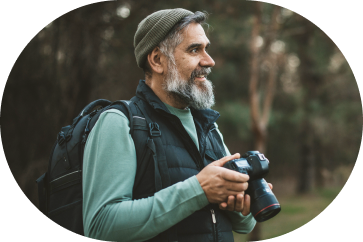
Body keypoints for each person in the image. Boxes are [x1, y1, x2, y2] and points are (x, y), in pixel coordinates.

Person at [82, 8, 272, 242]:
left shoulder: (209, 126)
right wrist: (199, 191)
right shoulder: (120, 122)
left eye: (206, 49)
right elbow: (101, 226)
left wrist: (239, 203)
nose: (209, 61)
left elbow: (244, 225)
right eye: (194, 50)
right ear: (157, 60)